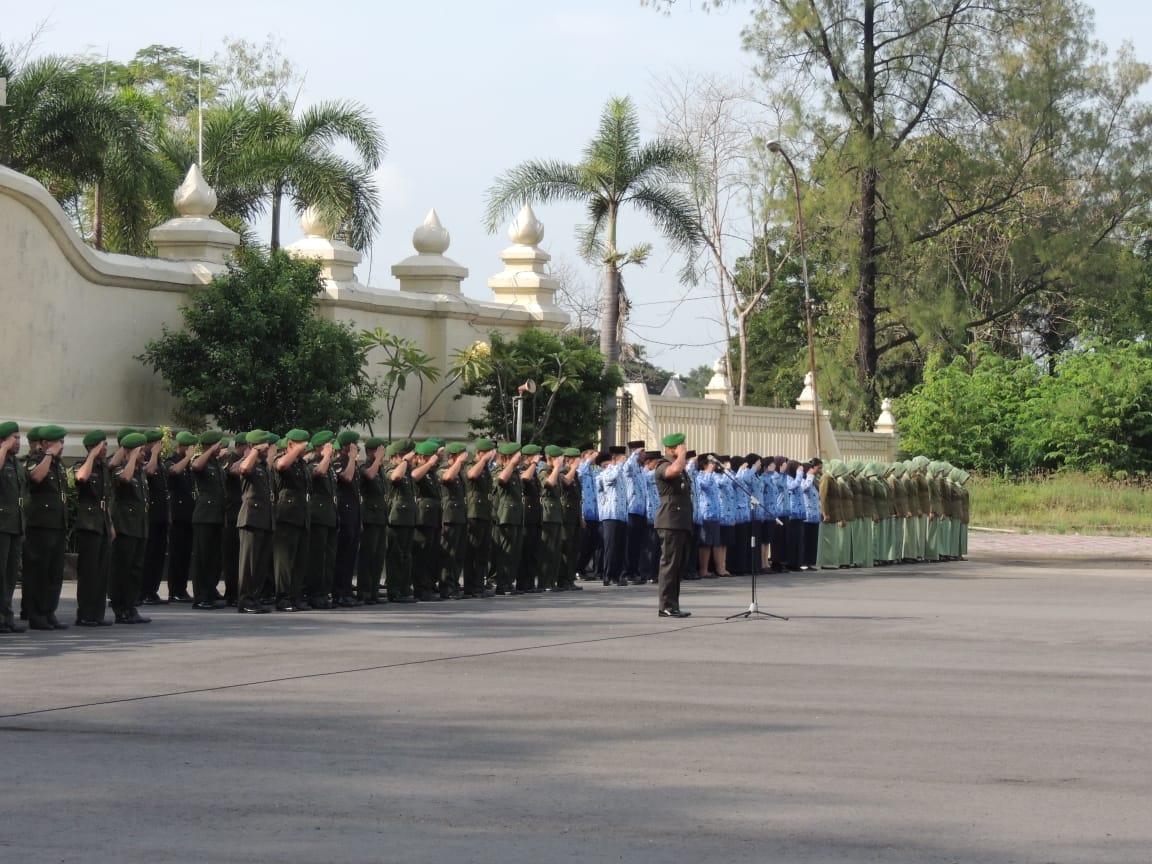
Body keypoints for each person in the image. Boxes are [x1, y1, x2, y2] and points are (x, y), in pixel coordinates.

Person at [72, 429, 114, 626]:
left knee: (101, 571)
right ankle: (85, 614)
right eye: (102, 445)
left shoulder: (104, 468)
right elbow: (81, 478)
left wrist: (110, 524)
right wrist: (91, 456)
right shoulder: (82, 464)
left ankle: (97, 614)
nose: (105, 448)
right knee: (88, 571)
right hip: (88, 524)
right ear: (92, 447)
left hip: (102, 522)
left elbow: (106, 498)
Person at [109, 431, 152, 624]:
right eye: (141, 450)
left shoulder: (140, 470)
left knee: (135, 569)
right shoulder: (119, 467)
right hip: (125, 525)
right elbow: (125, 479)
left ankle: (131, 606)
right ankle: (120, 608)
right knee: (122, 569)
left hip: (139, 526)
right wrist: (132, 457)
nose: (144, 454)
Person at [273, 429, 312, 612]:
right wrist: (295, 450)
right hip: (287, 516)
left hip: (302, 516)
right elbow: (281, 466)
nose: (305, 449)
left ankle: (295, 597)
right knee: (285, 561)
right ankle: (283, 598)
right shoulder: (282, 459)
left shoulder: (301, 464)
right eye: (302, 445)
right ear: (290, 444)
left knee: (299, 561)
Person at [654, 433, 692, 618]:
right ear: (671, 448)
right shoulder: (663, 465)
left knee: (677, 565)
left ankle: (673, 605)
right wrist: (682, 455)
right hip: (670, 521)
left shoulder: (679, 466)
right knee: (669, 564)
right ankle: (666, 606)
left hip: (680, 521)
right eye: (680, 445)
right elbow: (673, 471)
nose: (683, 447)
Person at [236, 430, 274, 614]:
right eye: (263, 445)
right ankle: (245, 600)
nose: (267, 448)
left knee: (259, 564)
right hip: (250, 519)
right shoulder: (249, 463)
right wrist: (254, 451)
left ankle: (254, 598)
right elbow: (243, 469)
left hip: (264, 519)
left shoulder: (262, 466)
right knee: (248, 564)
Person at [189, 431, 228, 609]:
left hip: (217, 516)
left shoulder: (216, 463)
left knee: (214, 558)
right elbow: (196, 466)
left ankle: (210, 592)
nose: (220, 448)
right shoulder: (201, 459)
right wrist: (210, 450)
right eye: (217, 445)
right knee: (202, 558)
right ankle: (200, 597)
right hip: (204, 516)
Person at [0, 421, 28, 633]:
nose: (18, 442)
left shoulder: (16, 463)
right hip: (1, 525)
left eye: (19, 438)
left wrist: (22, 525)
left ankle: (7, 616)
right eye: (14, 438)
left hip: (15, 525)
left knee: (10, 575)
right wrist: (2, 449)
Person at [139, 429, 171, 605]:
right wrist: (154, 454)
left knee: (158, 556)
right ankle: (144, 591)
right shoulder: (146, 460)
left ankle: (152, 590)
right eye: (158, 443)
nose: (161, 446)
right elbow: (149, 471)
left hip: (161, 516)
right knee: (149, 555)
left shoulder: (161, 462)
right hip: (150, 516)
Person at [307, 431, 338, 608]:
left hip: (330, 516)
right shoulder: (313, 463)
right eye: (328, 444)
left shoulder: (330, 466)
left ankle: (324, 593)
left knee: (329, 558)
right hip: (318, 516)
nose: (332, 448)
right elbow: (318, 472)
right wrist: (326, 456)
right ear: (320, 447)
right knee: (317, 559)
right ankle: (315, 594)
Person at [384, 439, 418, 603]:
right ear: (399, 456)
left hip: (408, 519)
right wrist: (404, 461)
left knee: (406, 555)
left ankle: (404, 588)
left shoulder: (408, 471)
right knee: (396, 556)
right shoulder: (391, 468)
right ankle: (394, 590)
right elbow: (395, 477)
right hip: (397, 519)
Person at [333, 431, 364, 607]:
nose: (357, 447)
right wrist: (352, 458)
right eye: (354, 444)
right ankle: (339, 592)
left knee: (351, 555)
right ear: (347, 446)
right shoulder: (339, 461)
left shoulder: (353, 463)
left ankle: (346, 589)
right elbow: (347, 477)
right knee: (343, 555)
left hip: (354, 513)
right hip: (344, 513)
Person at [462, 439, 496, 598]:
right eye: (488, 452)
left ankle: (479, 586)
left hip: (485, 513)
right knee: (473, 551)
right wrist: (483, 460)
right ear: (480, 453)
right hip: (474, 513)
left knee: (483, 552)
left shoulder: (486, 468)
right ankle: (470, 587)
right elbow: (471, 475)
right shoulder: (471, 465)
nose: (491, 455)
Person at [357, 437, 389, 604]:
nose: (383, 454)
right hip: (369, 517)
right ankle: (365, 591)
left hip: (380, 517)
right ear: (370, 452)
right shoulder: (365, 466)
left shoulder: (380, 468)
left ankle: (374, 591)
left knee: (378, 556)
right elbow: (369, 475)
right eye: (379, 451)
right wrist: (377, 460)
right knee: (368, 555)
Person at [411, 440, 443, 602]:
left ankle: (428, 585)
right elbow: (414, 476)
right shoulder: (420, 469)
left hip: (433, 519)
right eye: (432, 457)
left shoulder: (432, 472)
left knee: (431, 555)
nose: (436, 460)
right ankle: (420, 588)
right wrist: (428, 463)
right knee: (421, 556)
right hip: (423, 519)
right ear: (423, 457)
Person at [490, 442, 524, 595]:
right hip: (505, 516)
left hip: (515, 516)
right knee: (505, 551)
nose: (520, 458)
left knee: (513, 552)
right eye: (517, 455)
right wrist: (511, 464)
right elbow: (502, 479)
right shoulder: (500, 470)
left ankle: (508, 582)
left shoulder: (515, 472)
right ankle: (502, 584)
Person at [438, 442, 469, 599]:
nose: (465, 457)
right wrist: (458, 462)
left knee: (458, 554)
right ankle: (446, 587)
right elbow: (447, 477)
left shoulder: (460, 471)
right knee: (448, 554)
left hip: (460, 516)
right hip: (449, 517)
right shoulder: (443, 469)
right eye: (461, 455)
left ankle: (454, 584)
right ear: (452, 456)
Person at [596, 446, 628, 587]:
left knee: (620, 547)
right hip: (610, 514)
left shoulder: (620, 473)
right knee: (611, 546)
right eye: (621, 457)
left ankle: (618, 575)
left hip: (622, 514)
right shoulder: (604, 473)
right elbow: (611, 477)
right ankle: (607, 575)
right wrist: (617, 464)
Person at [536, 445, 566, 592]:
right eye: (559, 457)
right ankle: (544, 582)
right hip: (547, 515)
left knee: (555, 550)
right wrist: (556, 467)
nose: (562, 460)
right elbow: (548, 484)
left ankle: (551, 581)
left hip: (556, 514)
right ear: (550, 458)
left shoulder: (556, 472)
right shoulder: (544, 472)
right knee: (547, 551)